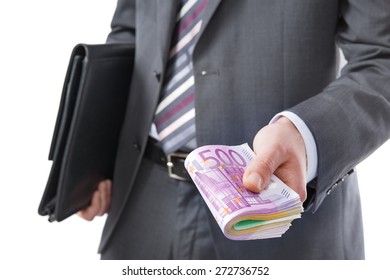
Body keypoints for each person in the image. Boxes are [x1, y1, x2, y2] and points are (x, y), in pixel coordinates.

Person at [78, 0, 390, 259]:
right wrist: (93, 159)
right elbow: (130, 31)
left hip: (273, 211)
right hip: (139, 199)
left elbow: (381, 58)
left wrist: (303, 136)